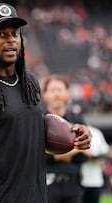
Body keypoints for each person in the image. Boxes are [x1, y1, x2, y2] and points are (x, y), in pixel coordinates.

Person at [0, 3, 91, 203]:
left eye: (14, 33)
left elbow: (30, 135)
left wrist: (74, 135)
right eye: (1, 34)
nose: (11, 40)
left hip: (37, 196)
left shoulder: (30, 82)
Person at [41, 74, 88, 203]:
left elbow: (85, 154)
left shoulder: (77, 120)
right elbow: (39, 155)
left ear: (67, 93)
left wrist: (56, 153)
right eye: (52, 90)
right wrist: (72, 150)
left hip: (73, 183)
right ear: (44, 95)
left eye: (60, 90)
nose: (56, 94)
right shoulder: (39, 120)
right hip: (46, 184)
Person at [80, 125, 109, 203]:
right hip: (78, 180)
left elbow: (105, 152)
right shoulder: (73, 128)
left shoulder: (96, 132)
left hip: (95, 180)